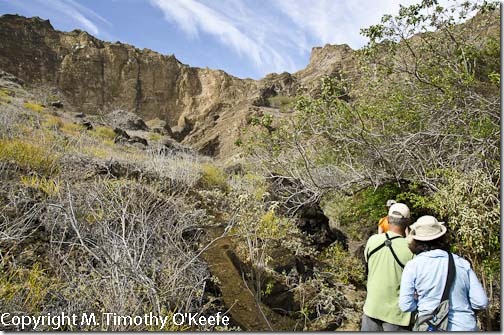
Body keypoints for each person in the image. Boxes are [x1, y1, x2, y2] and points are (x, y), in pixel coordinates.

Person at [399, 215, 488, 331]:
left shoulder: (413, 266)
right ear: (442, 237)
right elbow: (481, 301)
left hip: (431, 326)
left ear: (416, 240)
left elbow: (405, 305)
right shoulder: (461, 263)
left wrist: (421, 302)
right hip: (465, 326)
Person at [361, 203, 414, 331]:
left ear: (388, 219)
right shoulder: (412, 249)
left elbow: (368, 264)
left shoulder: (372, 241)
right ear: (408, 222)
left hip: (372, 308)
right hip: (397, 315)